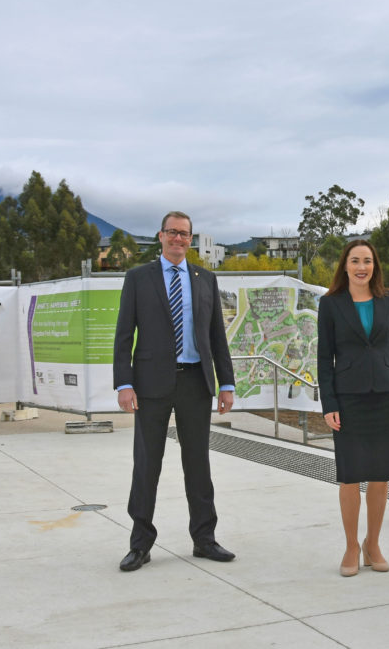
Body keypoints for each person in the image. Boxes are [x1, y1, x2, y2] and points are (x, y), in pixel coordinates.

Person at [113, 211, 236, 572]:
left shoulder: (204, 279)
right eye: (172, 233)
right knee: (147, 465)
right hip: (151, 384)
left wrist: (225, 383)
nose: (178, 239)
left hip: (195, 382)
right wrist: (124, 383)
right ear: (161, 236)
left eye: (185, 234)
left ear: (191, 239)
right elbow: (123, 335)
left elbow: (217, 336)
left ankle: (204, 539)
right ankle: (140, 544)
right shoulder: (138, 278)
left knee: (198, 464)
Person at [317, 239, 389, 577]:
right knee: (350, 477)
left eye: (368, 261)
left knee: (380, 476)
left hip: (385, 396)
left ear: (375, 266)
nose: (362, 267)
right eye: (355, 260)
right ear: (345, 265)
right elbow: (323, 358)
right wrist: (328, 402)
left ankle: (373, 545)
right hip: (348, 399)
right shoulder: (330, 304)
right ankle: (351, 546)